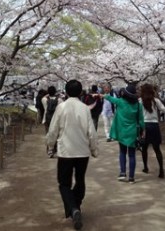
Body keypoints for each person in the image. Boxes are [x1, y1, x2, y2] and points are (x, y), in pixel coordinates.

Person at [46, 79, 98, 230]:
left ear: (67, 92)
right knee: (80, 180)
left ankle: (74, 209)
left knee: (64, 183)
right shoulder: (85, 108)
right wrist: (94, 149)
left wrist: (50, 144)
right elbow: (92, 132)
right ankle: (76, 207)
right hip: (82, 151)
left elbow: (53, 129)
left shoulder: (61, 107)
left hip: (66, 151)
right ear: (81, 92)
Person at [104, 83, 144, 184]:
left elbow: (110, 98)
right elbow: (141, 120)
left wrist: (102, 95)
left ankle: (122, 173)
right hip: (133, 132)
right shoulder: (138, 106)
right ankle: (131, 177)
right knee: (132, 155)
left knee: (122, 152)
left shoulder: (120, 102)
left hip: (122, 131)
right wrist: (142, 131)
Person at [140, 83, 165, 179]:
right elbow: (164, 109)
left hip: (144, 126)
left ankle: (146, 167)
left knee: (144, 148)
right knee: (157, 149)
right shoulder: (156, 101)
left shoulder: (140, 101)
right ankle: (161, 170)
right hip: (154, 126)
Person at [42, 86, 61, 157]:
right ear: (55, 92)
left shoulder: (44, 99)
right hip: (56, 119)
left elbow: (44, 97)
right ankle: (55, 149)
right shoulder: (59, 100)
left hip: (46, 119)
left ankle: (49, 150)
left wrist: (47, 94)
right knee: (56, 134)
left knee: (48, 134)